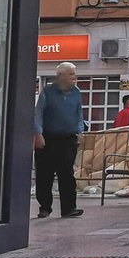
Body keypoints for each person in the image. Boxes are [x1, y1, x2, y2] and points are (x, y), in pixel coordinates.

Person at [33, 63, 85, 219]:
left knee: (67, 174)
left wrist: (80, 130)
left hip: (68, 138)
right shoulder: (47, 92)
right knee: (45, 174)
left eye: (74, 74)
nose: (74, 78)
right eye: (71, 75)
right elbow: (38, 113)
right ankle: (45, 207)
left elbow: (79, 113)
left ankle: (69, 208)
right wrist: (38, 133)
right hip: (48, 138)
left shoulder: (76, 93)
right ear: (61, 76)